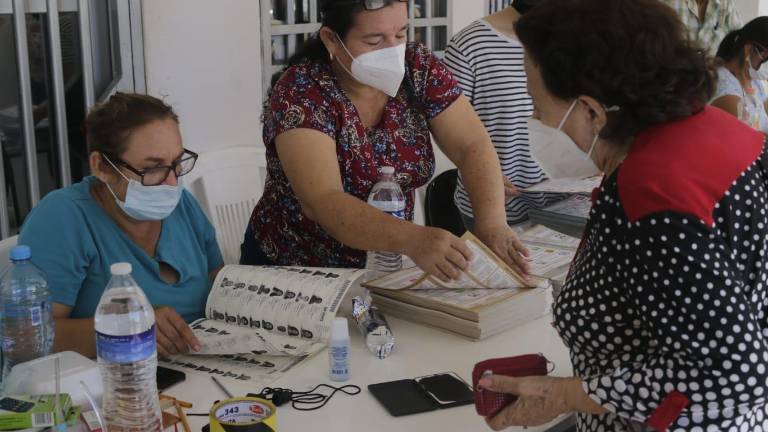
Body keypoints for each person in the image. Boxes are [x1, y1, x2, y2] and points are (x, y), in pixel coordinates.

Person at [474, 0, 768, 431]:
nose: (532, 119)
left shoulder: (655, 195)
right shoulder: (721, 132)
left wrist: (562, 395)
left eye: (537, 106)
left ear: (592, 112)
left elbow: (732, 373)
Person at [241, 0, 529, 281]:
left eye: (401, 33)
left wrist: (492, 224)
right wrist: (414, 239)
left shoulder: (418, 67)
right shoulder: (302, 91)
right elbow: (323, 200)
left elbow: (472, 144)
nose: (393, 50)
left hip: (385, 266)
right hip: (300, 274)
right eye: (374, 40)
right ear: (331, 39)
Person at [19, 93, 224, 359]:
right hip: (113, 383)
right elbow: (26, 338)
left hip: (199, 369)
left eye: (176, 164)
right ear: (102, 167)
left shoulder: (181, 205)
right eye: (152, 169)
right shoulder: (63, 217)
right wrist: (125, 329)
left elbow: (219, 283)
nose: (172, 183)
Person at [444, 2, 564, 230]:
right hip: (497, 208)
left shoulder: (573, 38)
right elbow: (449, 129)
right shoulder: (470, 45)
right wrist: (483, 174)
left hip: (563, 206)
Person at [711, 17, 768, 133]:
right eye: (766, 57)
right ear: (748, 49)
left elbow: (764, 111)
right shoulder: (723, 86)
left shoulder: (753, 82)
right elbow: (751, 139)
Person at [661, 0, 741, 56]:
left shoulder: (725, 3)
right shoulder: (666, 3)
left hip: (714, 76)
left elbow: (740, 42)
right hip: (675, 77)